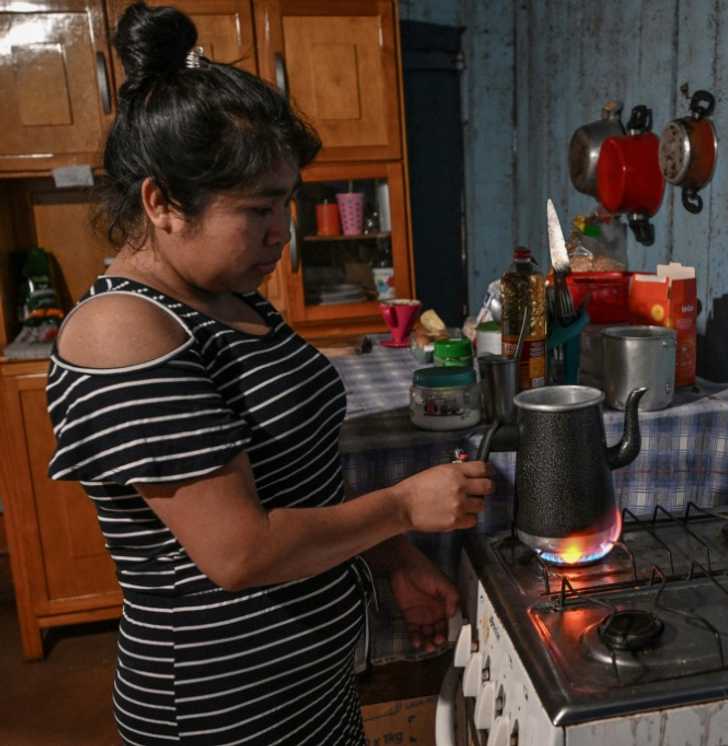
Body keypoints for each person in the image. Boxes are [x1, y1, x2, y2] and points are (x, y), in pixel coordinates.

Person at [44, 3, 492, 744]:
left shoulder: (228, 297)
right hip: (224, 711)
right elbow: (240, 553)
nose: (281, 235)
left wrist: (392, 557)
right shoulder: (121, 334)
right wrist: (404, 508)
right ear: (160, 202)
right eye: (257, 210)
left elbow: (294, 473)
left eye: (287, 202)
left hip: (304, 684)